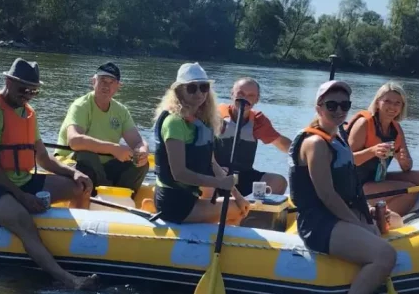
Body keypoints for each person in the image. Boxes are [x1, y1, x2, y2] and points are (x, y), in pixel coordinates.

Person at [0, 58, 98, 290]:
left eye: (33, 91)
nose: (27, 94)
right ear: (8, 81)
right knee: (23, 220)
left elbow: (43, 158)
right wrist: (21, 197)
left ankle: (78, 247)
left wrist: (74, 173)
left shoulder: (28, 114)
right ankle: (69, 280)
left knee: (79, 186)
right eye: (23, 88)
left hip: (21, 179)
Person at [288, 80, 400, 294]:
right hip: (318, 222)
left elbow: (348, 188)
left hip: (339, 213)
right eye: (331, 105)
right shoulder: (315, 144)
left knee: (396, 221)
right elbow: (327, 195)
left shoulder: (338, 138)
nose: (339, 110)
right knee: (386, 255)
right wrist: (358, 224)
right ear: (318, 108)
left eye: (344, 105)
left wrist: (365, 212)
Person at [152, 62, 251, 224]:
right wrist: (220, 183)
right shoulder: (174, 123)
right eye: (192, 88)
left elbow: (212, 164)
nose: (199, 93)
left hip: (190, 197)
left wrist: (237, 195)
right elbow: (179, 174)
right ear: (179, 91)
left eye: (204, 87)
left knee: (239, 204)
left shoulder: (202, 123)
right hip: (173, 203)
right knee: (234, 209)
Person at [55, 62, 150, 195]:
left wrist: (142, 151)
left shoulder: (121, 111)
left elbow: (138, 141)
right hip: (71, 162)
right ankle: (101, 195)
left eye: (111, 82)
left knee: (141, 164)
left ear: (118, 86)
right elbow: (74, 141)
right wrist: (113, 148)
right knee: (87, 154)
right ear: (93, 81)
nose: (106, 85)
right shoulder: (81, 106)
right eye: (103, 80)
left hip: (103, 167)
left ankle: (121, 198)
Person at [344, 81, 419, 215]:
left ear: (402, 107)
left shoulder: (396, 129)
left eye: (397, 103)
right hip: (355, 185)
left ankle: (385, 207)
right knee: (409, 190)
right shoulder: (364, 123)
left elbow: (407, 167)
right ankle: (381, 221)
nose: (392, 106)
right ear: (378, 102)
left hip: (376, 179)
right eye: (387, 101)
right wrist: (372, 151)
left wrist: (403, 161)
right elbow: (347, 161)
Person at [215, 77, 292, 197]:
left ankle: (251, 205)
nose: (244, 99)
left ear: (257, 99)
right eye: (240, 94)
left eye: (251, 95)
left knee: (278, 181)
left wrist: (305, 155)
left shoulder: (258, 121)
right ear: (232, 94)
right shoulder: (215, 115)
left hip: (244, 176)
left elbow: (282, 143)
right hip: (216, 174)